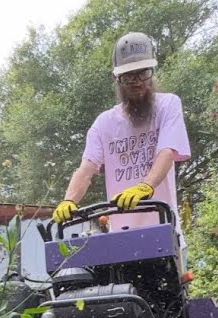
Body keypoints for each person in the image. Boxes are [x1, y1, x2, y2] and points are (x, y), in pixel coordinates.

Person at [53, 31, 194, 274]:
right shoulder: (104, 123)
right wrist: (69, 200)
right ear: (116, 79)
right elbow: (87, 168)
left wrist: (146, 186)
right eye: (129, 76)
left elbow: (167, 151)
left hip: (164, 230)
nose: (138, 81)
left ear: (152, 71)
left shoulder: (168, 105)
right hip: (120, 240)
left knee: (173, 306)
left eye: (143, 72)